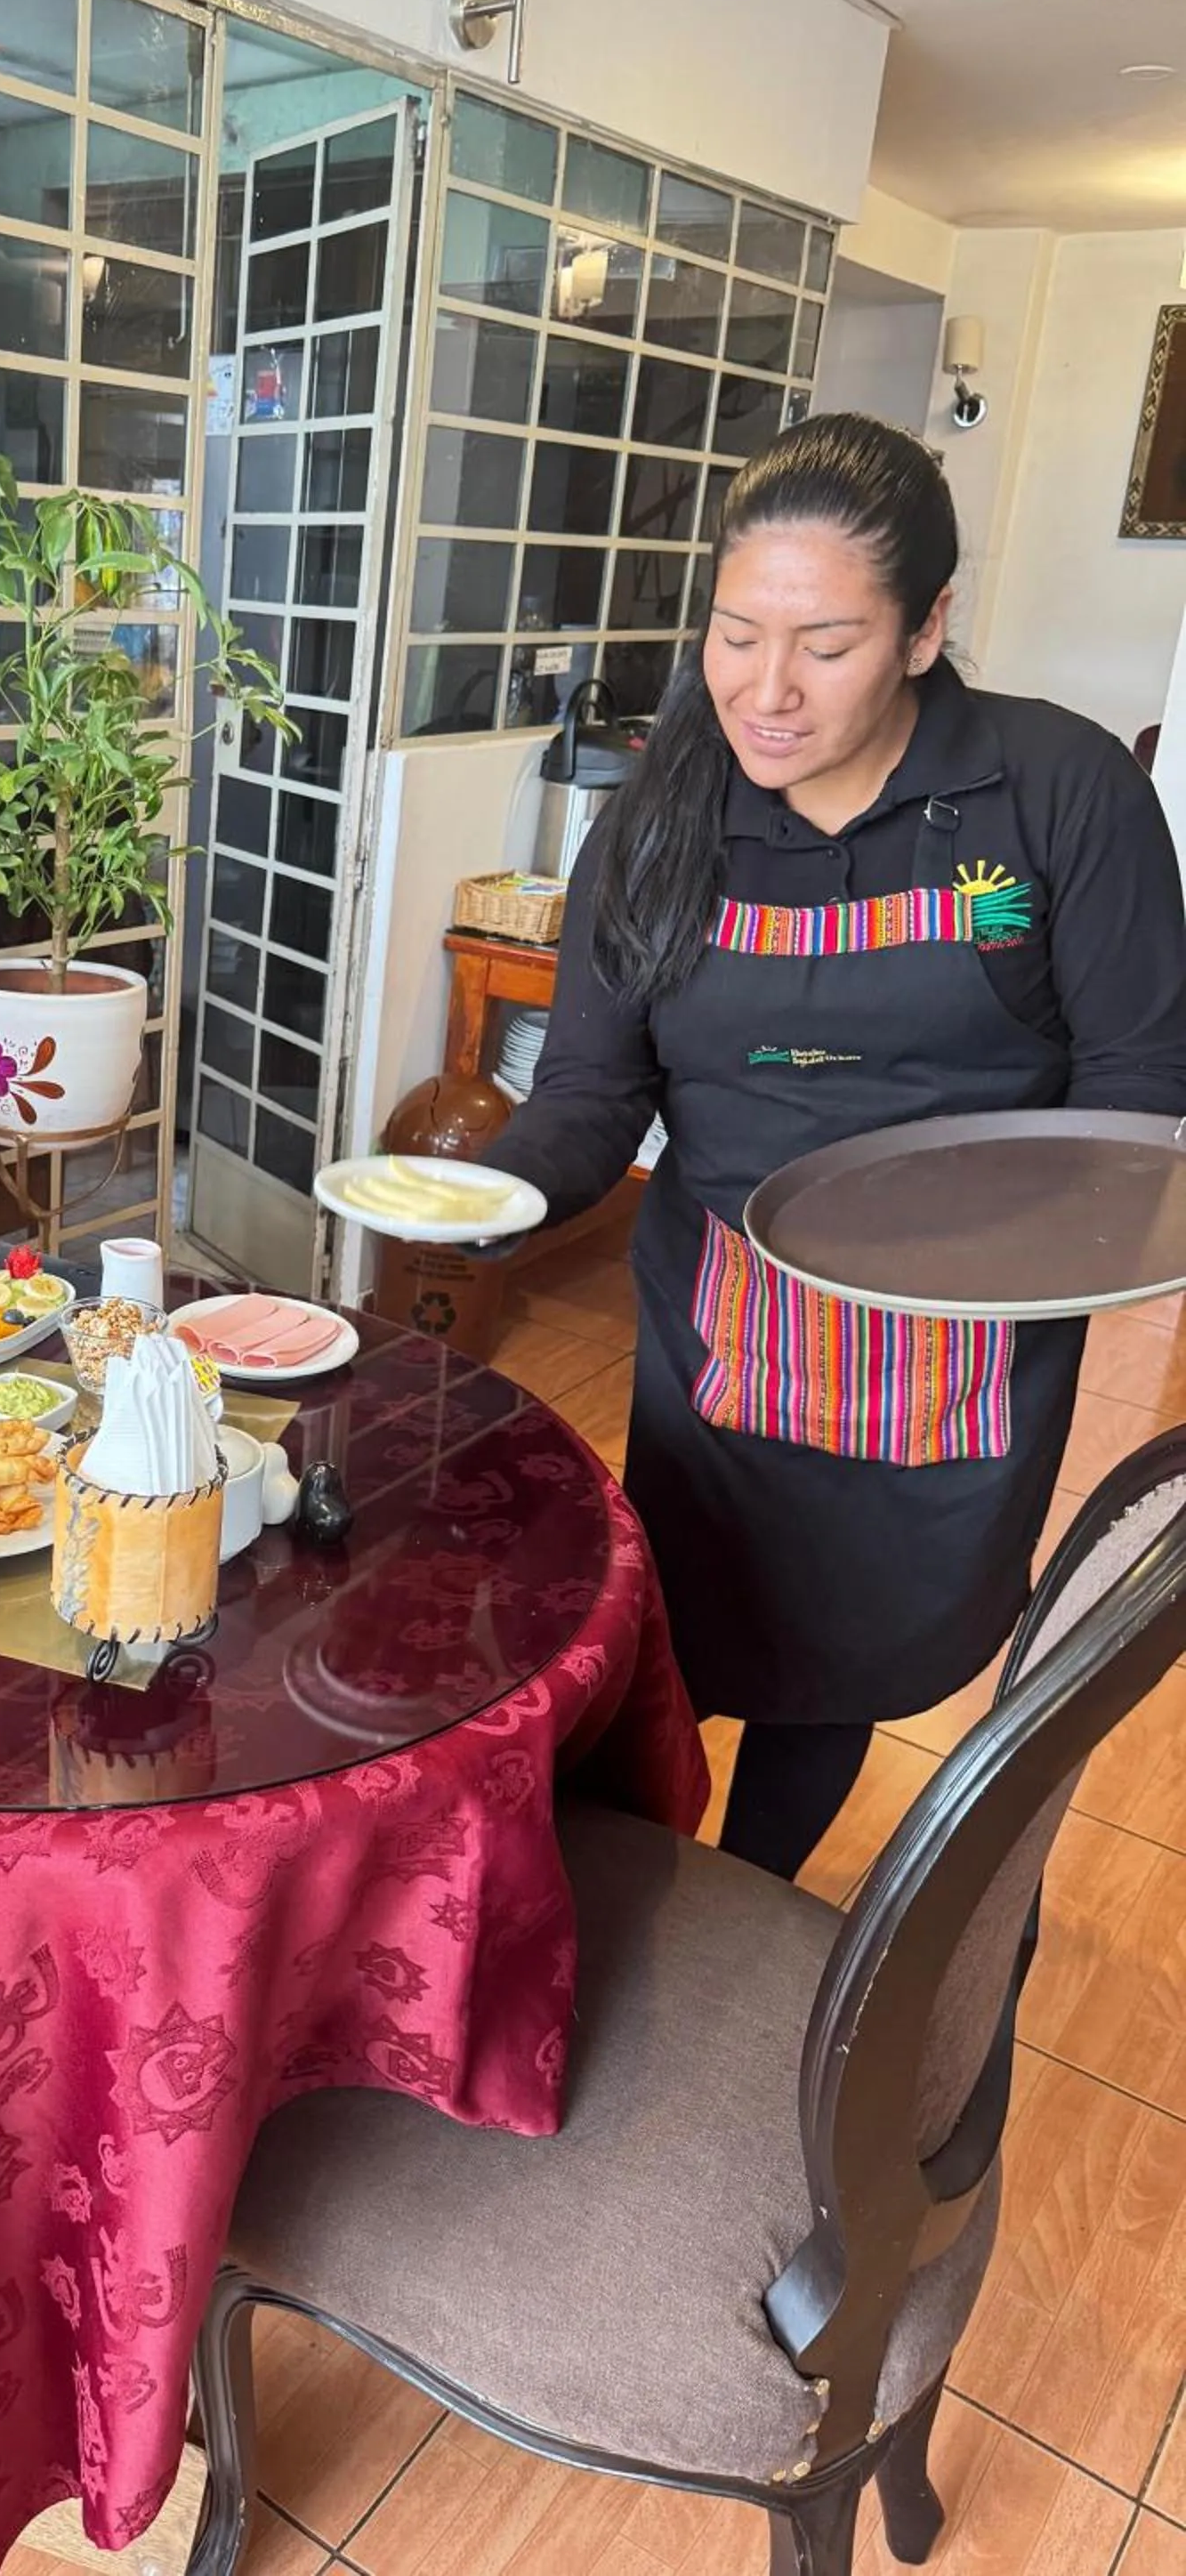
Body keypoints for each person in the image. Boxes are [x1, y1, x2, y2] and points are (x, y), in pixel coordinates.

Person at [481, 414, 1186, 1879]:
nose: (767, 692)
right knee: (670, 1634)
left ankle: (751, 1887)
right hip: (726, 1326)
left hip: (955, 1340)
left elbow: (1141, 1087)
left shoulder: (1056, 798)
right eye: (735, 637)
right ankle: (623, 1897)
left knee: (842, 1671)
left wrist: (1046, 1259)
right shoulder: (663, 818)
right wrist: (487, 1192)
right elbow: (596, 1096)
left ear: (928, 630)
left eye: (827, 643)